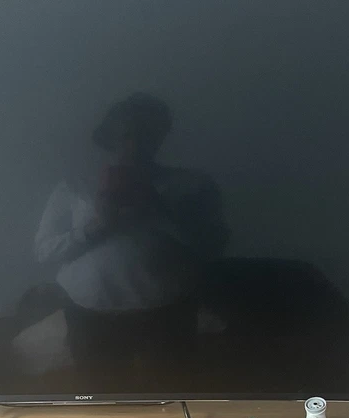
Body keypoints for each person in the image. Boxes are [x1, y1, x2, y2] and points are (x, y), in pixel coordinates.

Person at [35, 93, 227, 382]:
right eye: (126, 135)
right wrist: (96, 227)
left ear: (161, 135)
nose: (134, 145)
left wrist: (160, 211)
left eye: (146, 134)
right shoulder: (75, 185)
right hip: (88, 315)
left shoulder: (191, 185)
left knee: (174, 396)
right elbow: (44, 251)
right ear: (109, 137)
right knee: (98, 397)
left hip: (166, 313)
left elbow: (212, 246)